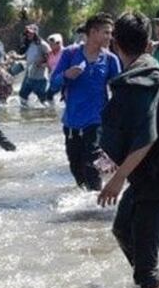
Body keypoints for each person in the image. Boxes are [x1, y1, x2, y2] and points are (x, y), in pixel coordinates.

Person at [97, 12, 159, 288]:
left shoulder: (140, 80)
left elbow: (147, 137)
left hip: (158, 179)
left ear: (115, 44)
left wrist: (117, 179)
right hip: (148, 175)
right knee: (122, 229)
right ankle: (156, 282)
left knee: (145, 259)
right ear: (148, 43)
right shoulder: (152, 69)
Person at [50, 14, 121, 191]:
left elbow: (120, 91)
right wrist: (66, 75)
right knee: (76, 167)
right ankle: (87, 205)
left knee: (93, 161)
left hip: (97, 121)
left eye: (110, 33)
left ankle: (100, 198)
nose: (109, 37)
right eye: (106, 33)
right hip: (72, 123)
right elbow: (52, 84)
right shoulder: (70, 54)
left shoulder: (110, 59)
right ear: (93, 32)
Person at [14, 24, 51, 105]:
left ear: (36, 34)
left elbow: (51, 58)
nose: (28, 34)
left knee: (44, 101)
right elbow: (26, 56)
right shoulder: (30, 44)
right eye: (27, 33)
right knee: (22, 97)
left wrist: (42, 62)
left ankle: (47, 115)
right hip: (28, 76)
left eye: (31, 33)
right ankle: (25, 116)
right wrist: (16, 57)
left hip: (40, 77)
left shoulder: (43, 45)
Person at [43, 33, 65, 104]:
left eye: (52, 44)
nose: (50, 46)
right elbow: (49, 65)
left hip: (63, 77)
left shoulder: (65, 52)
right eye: (50, 44)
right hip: (53, 77)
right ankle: (52, 111)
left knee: (64, 96)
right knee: (49, 96)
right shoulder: (49, 54)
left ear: (59, 43)